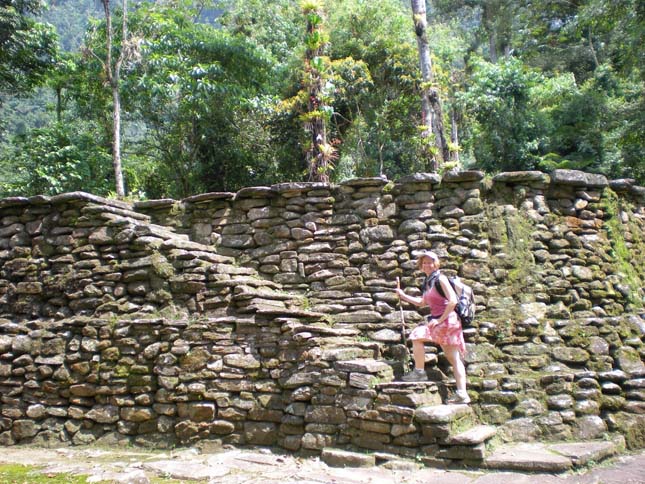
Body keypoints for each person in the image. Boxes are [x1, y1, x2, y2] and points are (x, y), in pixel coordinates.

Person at [394, 250, 470, 404]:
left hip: (447, 321)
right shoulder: (428, 281)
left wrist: (439, 320)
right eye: (424, 263)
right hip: (443, 322)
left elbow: (453, 301)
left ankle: (419, 372)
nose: (427, 265)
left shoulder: (440, 279)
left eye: (430, 262)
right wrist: (403, 295)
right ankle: (462, 393)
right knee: (453, 358)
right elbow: (422, 303)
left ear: (436, 264)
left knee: (417, 335)